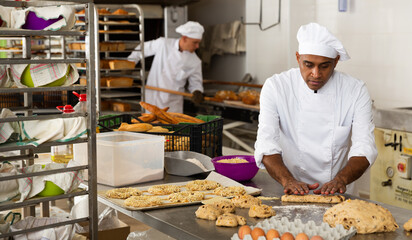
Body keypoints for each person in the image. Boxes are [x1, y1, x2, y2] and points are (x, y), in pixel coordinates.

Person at [254, 23, 378, 195]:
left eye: (324, 66)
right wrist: (288, 180)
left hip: (338, 194)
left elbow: (364, 147)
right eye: (308, 64)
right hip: (288, 190)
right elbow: (267, 145)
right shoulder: (277, 87)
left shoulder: (355, 90)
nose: (316, 73)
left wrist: (340, 180)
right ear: (298, 58)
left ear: (335, 62)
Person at [128, 21, 205, 113]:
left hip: (173, 106)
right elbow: (141, 49)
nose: (197, 46)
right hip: (152, 101)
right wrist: (129, 64)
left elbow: (196, 83)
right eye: (195, 42)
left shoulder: (195, 61)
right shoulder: (163, 44)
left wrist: (197, 91)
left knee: (172, 127)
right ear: (184, 38)